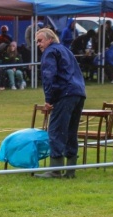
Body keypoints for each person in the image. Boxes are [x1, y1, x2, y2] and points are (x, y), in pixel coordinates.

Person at [35, 27, 86, 179]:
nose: (38, 44)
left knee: (56, 130)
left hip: (65, 93)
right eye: (37, 42)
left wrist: (49, 99)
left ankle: (55, 169)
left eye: (40, 41)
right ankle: (70, 170)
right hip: (78, 93)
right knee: (71, 131)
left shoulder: (50, 52)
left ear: (50, 39)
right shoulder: (66, 50)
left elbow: (49, 76)